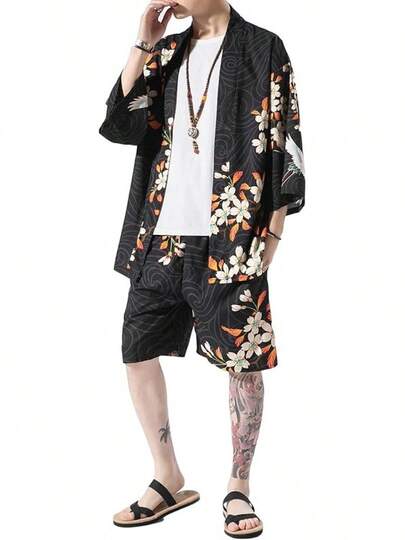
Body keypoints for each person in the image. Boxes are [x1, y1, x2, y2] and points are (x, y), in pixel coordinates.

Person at [99, 0, 305, 537]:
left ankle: (238, 485)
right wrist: (143, 43)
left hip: (232, 234)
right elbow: (120, 124)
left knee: (243, 362)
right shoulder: (166, 51)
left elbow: (285, 140)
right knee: (137, 350)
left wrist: (273, 231)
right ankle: (167, 475)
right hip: (159, 235)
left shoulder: (262, 48)